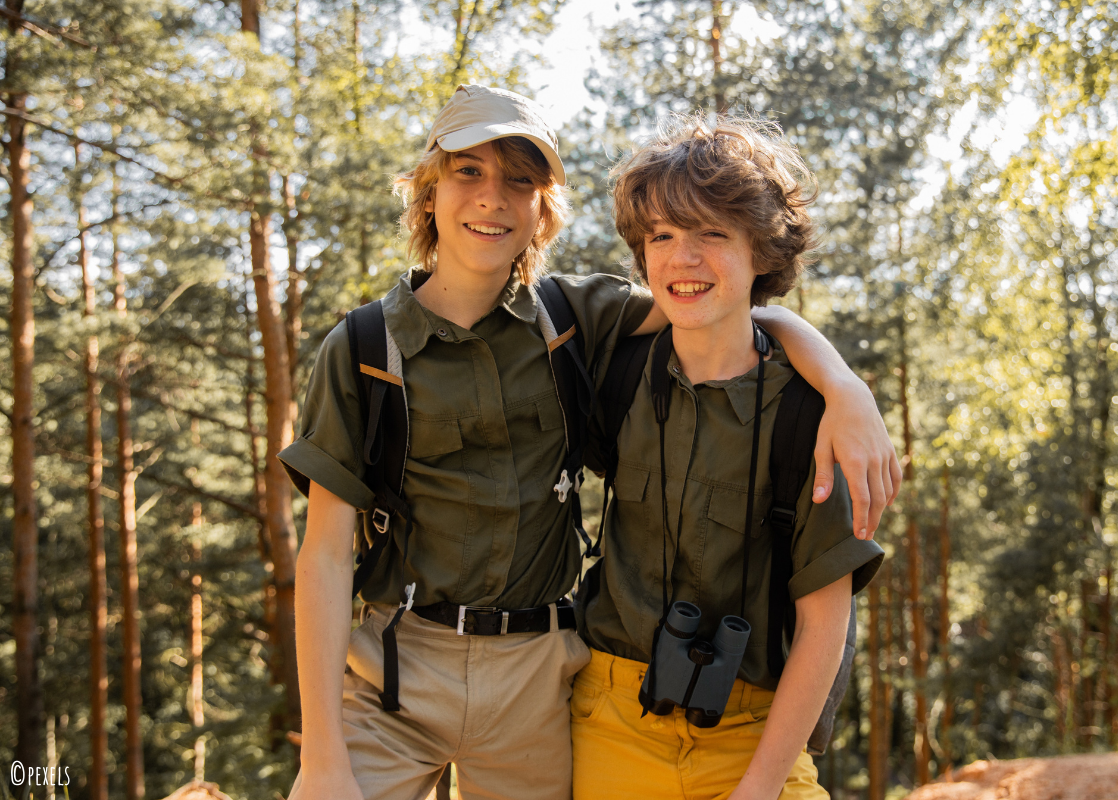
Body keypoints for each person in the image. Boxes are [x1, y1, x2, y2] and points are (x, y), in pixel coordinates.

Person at [281, 86, 895, 800]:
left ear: (545, 208)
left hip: (540, 680)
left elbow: (717, 306)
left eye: (521, 179)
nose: (493, 198)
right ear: (426, 192)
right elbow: (323, 556)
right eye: (467, 172)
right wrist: (320, 756)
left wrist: (844, 386)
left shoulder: (573, 320)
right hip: (402, 668)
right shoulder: (360, 347)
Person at [570, 114, 885, 800]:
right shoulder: (615, 371)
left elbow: (824, 626)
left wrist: (757, 789)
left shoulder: (811, 416)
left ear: (763, 252)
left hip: (755, 733)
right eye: (662, 236)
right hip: (606, 718)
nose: (683, 259)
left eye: (711, 234)